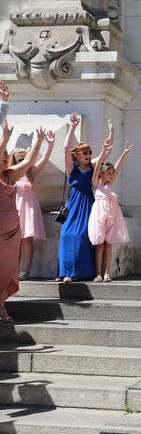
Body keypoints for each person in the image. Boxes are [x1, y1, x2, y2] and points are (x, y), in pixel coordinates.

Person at [1, 121, 45, 321]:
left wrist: (39, 142)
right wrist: (6, 138)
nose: (2, 158)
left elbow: (28, 161)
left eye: (4, 156)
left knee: (9, 270)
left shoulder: (10, 175)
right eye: (1, 155)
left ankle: (1, 307)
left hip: (12, 230)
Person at [57, 113, 110, 283]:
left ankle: (81, 272)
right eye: (84, 152)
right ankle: (65, 272)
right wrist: (72, 127)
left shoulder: (93, 167)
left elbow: (103, 157)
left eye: (89, 152)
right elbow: (65, 148)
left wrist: (108, 141)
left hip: (88, 204)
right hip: (73, 204)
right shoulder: (72, 170)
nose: (88, 154)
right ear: (77, 155)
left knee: (83, 236)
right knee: (66, 235)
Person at [8, 129, 56, 279]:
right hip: (14, 209)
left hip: (28, 209)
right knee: (13, 241)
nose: (23, 162)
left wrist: (50, 145)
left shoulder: (30, 173)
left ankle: (24, 271)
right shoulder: (10, 173)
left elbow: (44, 160)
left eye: (25, 159)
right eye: (19, 160)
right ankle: (11, 271)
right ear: (14, 160)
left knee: (27, 239)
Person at [88, 132, 132, 282]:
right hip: (99, 213)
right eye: (108, 173)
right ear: (101, 174)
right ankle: (98, 273)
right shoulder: (96, 184)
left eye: (112, 174)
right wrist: (103, 152)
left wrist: (124, 153)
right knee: (99, 245)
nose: (111, 176)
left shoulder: (109, 184)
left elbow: (118, 167)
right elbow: (95, 170)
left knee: (108, 244)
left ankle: (107, 272)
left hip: (111, 214)